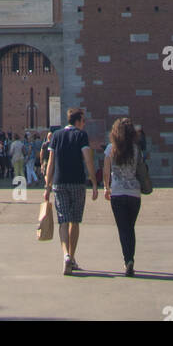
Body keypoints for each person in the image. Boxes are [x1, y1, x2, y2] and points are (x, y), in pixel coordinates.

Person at [44, 108, 98, 274]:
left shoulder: (56, 135)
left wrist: (47, 186)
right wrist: (94, 182)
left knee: (63, 220)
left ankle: (66, 254)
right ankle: (71, 258)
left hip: (59, 183)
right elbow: (88, 160)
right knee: (74, 220)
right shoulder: (81, 135)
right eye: (83, 120)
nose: (84, 123)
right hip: (76, 182)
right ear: (78, 121)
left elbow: (50, 163)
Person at [103, 116, 143, 276]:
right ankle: (130, 258)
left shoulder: (110, 149)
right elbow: (140, 169)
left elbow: (106, 171)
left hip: (118, 192)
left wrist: (106, 187)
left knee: (123, 228)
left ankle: (127, 259)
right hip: (134, 193)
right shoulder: (136, 149)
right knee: (130, 228)